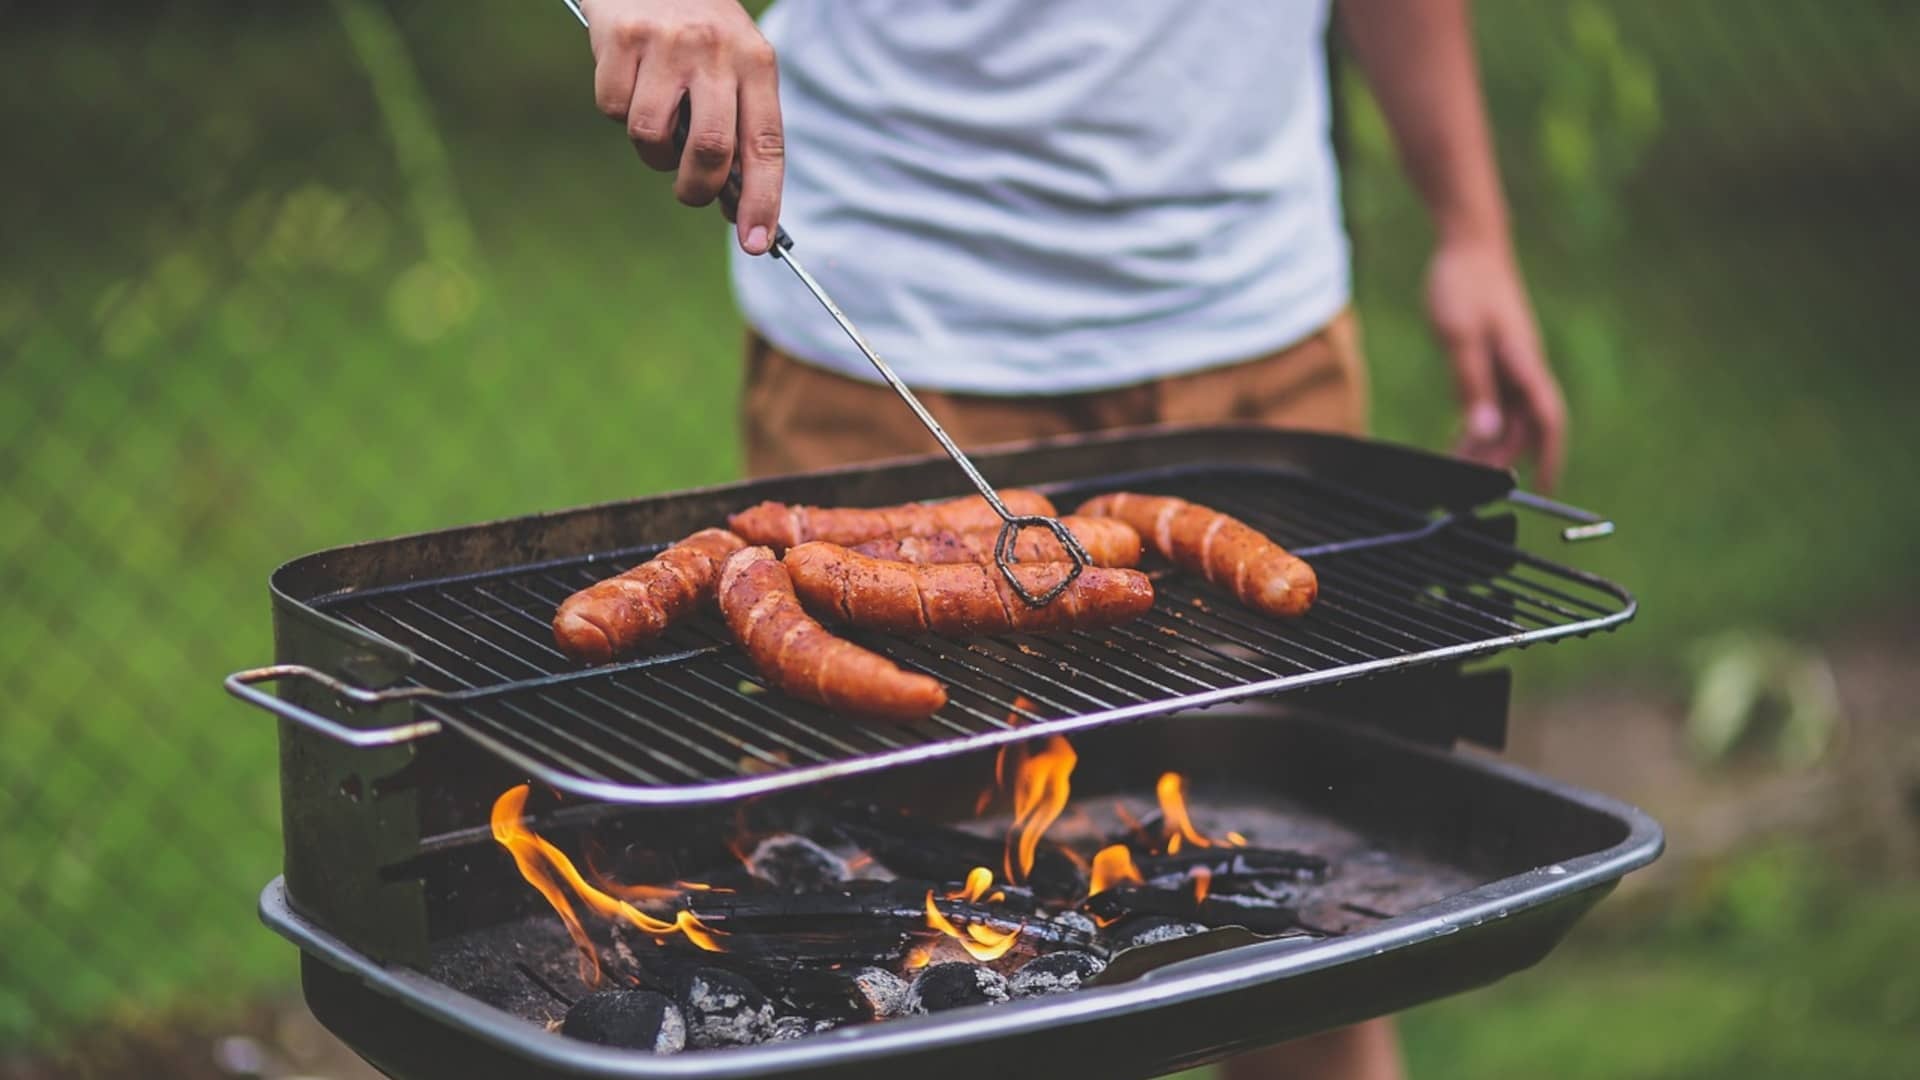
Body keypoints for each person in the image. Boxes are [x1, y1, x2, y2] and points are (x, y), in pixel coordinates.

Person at [583, 1, 1566, 1075]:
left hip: (1256, 330)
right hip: (892, 336)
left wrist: (1472, 227)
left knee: (1304, 927)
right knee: (889, 949)